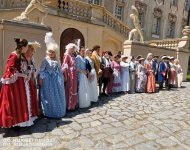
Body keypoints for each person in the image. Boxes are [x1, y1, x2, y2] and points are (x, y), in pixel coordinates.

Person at [0, 38, 37, 128]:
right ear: (23, 47)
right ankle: (15, 124)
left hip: (21, 83)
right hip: (14, 84)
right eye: (27, 46)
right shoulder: (13, 56)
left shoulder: (20, 55)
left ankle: (21, 122)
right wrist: (23, 76)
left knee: (21, 103)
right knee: (15, 103)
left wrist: (27, 72)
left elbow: (22, 68)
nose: (27, 48)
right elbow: (10, 71)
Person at [38, 32, 66, 118]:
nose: (51, 53)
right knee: (49, 96)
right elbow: (41, 70)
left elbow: (59, 69)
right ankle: (48, 111)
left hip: (56, 81)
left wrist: (63, 74)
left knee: (57, 95)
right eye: (50, 52)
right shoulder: (45, 59)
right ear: (47, 51)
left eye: (53, 52)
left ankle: (58, 111)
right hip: (48, 81)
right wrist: (40, 78)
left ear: (55, 52)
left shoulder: (57, 60)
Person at [22, 41, 40, 119]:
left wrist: (34, 81)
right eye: (29, 49)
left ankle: (32, 115)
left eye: (32, 50)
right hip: (23, 82)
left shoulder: (32, 59)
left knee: (32, 97)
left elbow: (33, 70)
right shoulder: (22, 58)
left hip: (31, 80)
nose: (31, 51)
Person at [62, 43, 78, 110]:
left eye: (73, 49)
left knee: (74, 88)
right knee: (69, 88)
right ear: (68, 49)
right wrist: (65, 76)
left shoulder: (73, 56)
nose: (72, 50)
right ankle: (68, 105)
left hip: (74, 75)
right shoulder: (67, 56)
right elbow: (64, 67)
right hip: (69, 75)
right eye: (71, 49)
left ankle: (73, 105)